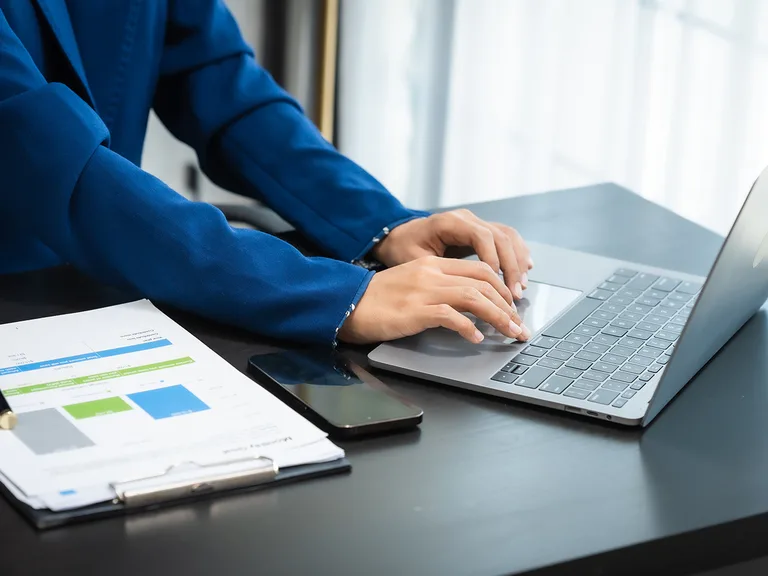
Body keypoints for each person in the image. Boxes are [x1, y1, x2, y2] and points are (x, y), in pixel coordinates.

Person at [0, 0, 532, 346]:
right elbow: (53, 160)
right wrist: (335, 295)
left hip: (109, 281)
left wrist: (380, 223)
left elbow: (222, 85)